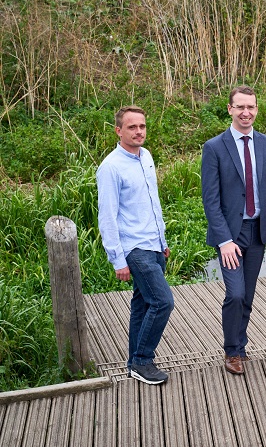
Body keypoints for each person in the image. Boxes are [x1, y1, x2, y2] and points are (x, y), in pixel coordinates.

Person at [201, 85, 266, 375]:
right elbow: (210, 200)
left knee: (247, 294)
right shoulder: (214, 147)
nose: (246, 112)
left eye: (251, 107)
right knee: (234, 293)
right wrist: (223, 240)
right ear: (230, 109)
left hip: (258, 231)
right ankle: (231, 351)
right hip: (230, 234)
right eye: (240, 107)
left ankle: (240, 344)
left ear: (256, 109)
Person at [97, 106, 175, 385]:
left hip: (153, 244)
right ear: (118, 131)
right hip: (134, 248)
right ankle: (143, 360)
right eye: (132, 127)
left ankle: (134, 364)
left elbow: (152, 204)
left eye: (142, 126)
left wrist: (162, 241)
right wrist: (117, 259)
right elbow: (107, 217)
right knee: (163, 301)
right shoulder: (110, 167)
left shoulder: (147, 157)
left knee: (142, 305)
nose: (139, 131)